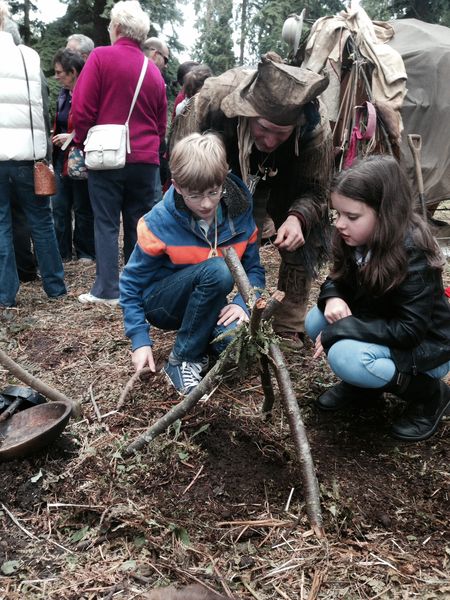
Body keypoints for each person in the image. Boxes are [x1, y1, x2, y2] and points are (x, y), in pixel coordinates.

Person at [169, 52, 333, 348]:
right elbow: (182, 166)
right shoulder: (213, 101)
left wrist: (298, 217)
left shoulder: (314, 128)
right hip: (219, 167)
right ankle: (199, 306)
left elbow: (317, 189)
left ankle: (288, 321)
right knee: (212, 231)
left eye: (281, 133)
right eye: (263, 129)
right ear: (247, 113)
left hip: (285, 175)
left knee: (303, 234)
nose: (270, 140)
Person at [305, 155, 450, 442]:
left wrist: (342, 330)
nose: (340, 225)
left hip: (425, 348)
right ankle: (364, 388)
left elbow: (410, 331)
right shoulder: (356, 238)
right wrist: (333, 297)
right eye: (338, 214)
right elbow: (336, 279)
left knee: (345, 355)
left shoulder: (413, 253)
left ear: (384, 213)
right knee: (316, 320)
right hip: (382, 324)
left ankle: (431, 396)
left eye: (352, 216)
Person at [120, 133, 265, 395]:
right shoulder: (159, 222)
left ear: (224, 178)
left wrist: (244, 303)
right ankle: (182, 360)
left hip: (207, 301)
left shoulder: (240, 217)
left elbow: (254, 270)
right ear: (177, 186)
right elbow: (130, 285)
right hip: (163, 302)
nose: (207, 203)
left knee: (233, 344)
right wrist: (139, 340)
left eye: (213, 191)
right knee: (219, 270)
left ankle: (202, 348)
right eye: (195, 196)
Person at [72, 0, 167, 305]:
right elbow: (161, 122)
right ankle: (136, 287)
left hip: (108, 156)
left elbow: (82, 109)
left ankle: (107, 290)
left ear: (115, 28)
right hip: (145, 159)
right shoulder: (152, 71)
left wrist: (84, 140)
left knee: (106, 222)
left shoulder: (101, 57)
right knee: (140, 222)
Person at [0, 1, 66, 307]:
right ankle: (55, 287)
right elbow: (42, 105)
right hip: (29, 155)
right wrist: (45, 155)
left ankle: (5, 295)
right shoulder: (29, 56)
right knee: (41, 220)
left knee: (1, 224)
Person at [52, 48, 95, 263]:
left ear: (73, 71)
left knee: (82, 207)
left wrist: (69, 137)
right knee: (59, 206)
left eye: (60, 72)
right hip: (62, 159)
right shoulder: (63, 94)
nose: (57, 76)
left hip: (81, 157)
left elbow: (91, 123)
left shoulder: (87, 92)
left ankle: (85, 252)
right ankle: (63, 253)